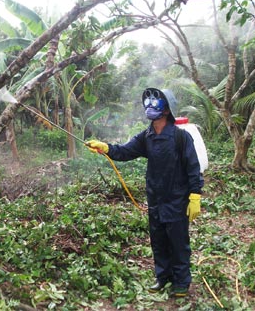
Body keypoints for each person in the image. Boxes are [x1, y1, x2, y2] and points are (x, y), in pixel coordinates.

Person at [87, 87, 203, 298]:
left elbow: (193, 168)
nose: (150, 106)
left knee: (178, 243)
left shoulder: (181, 137)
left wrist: (195, 195)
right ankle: (163, 278)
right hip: (156, 199)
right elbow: (124, 151)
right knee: (158, 240)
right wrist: (106, 148)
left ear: (167, 110)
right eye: (147, 102)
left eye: (155, 102)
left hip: (177, 200)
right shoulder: (146, 137)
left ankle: (181, 282)